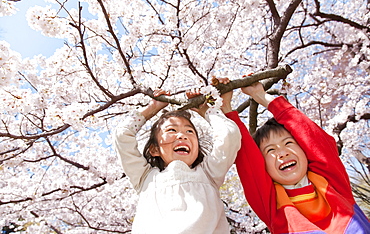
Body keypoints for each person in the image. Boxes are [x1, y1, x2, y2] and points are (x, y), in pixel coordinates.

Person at [224, 82, 370, 233]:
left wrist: (260, 95)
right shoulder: (273, 205)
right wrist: (227, 109)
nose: (282, 153)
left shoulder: (331, 182)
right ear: (263, 165)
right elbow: (249, 163)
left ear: (305, 149)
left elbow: (314, 138)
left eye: (288, 143)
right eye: (270, 150)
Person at [113, 88, 241, 234]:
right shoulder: (145, 178)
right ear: (154, 149)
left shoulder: (209, 174)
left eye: (189, 131)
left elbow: (229, 136)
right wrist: (152, 108)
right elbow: (122, 135)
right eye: (171, 130)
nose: (182, 136)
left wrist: (207, 111)